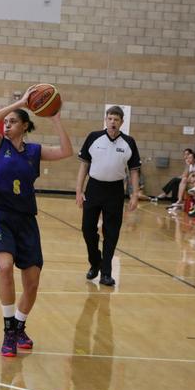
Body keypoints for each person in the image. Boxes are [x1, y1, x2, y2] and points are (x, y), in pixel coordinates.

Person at [0, 89, 73, 357]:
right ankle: (9, 331)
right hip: (0, 217)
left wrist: (55, 118)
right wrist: (21, 102)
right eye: (6, 122)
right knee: (5, 268)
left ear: (25, 126)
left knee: (32, 282)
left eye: (13, 121)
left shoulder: (34, 152)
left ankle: (20, 326)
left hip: (25, 221)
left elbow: (67, 151)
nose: (6, 125)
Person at [76, 105, 141, 286]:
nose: (113, 122)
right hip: (94, 188)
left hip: (115, 191)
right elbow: (84, 165)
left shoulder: (129, 142)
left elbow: (134, 171)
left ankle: (106, 273)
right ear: (106, 119)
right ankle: (95, 261)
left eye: (116, 120)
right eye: (110, 118)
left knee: (111, 232)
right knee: (87, 229)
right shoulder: (94, 137)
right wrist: (79, 190)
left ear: (122, 122)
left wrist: (135, 195)